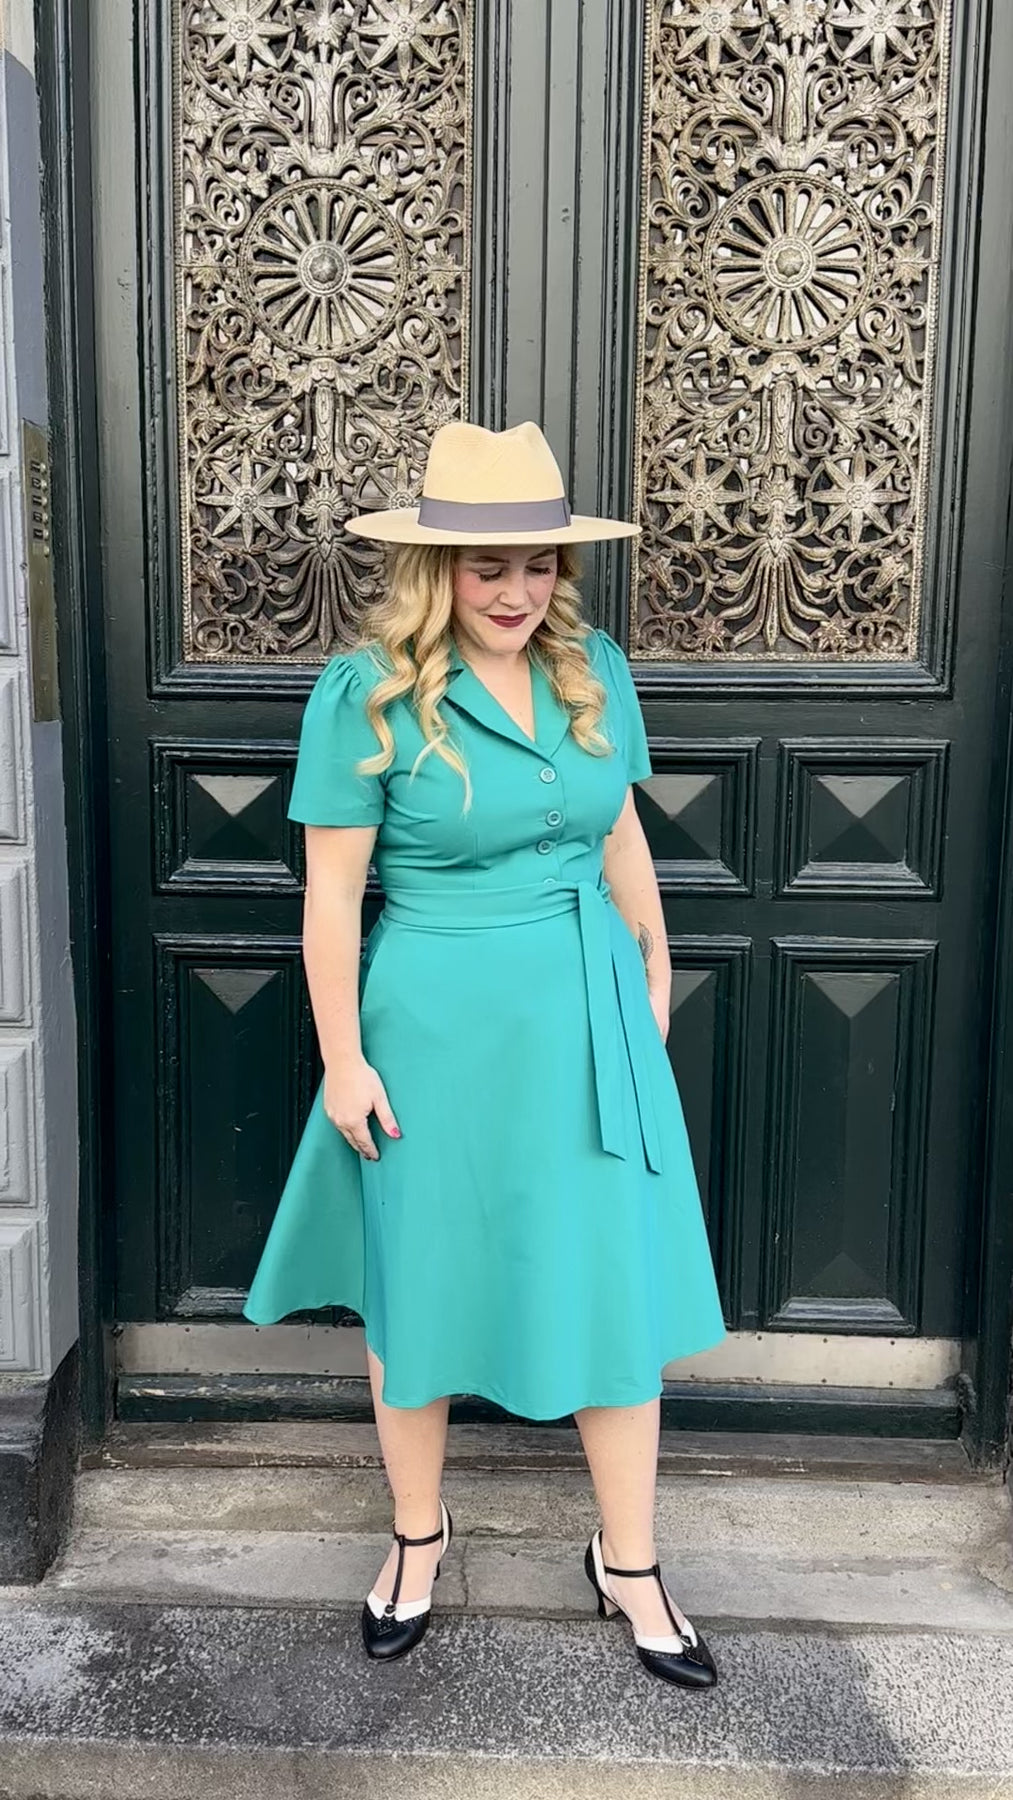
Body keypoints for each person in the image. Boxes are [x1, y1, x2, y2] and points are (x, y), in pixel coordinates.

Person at [244, 420, 727, 1688]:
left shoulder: (592, 666)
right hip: (435, 1028)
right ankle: (418, 1535)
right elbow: (330, 899)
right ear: (435, 570)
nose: (516, 591)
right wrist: (342, 1059)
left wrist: (653, 962)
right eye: (486, 567)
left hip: (585, 1018)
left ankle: (628, 1560)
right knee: (421, 1280)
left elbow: (617, 829)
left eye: (538, 564)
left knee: (607, 1282)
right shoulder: (365, 692)